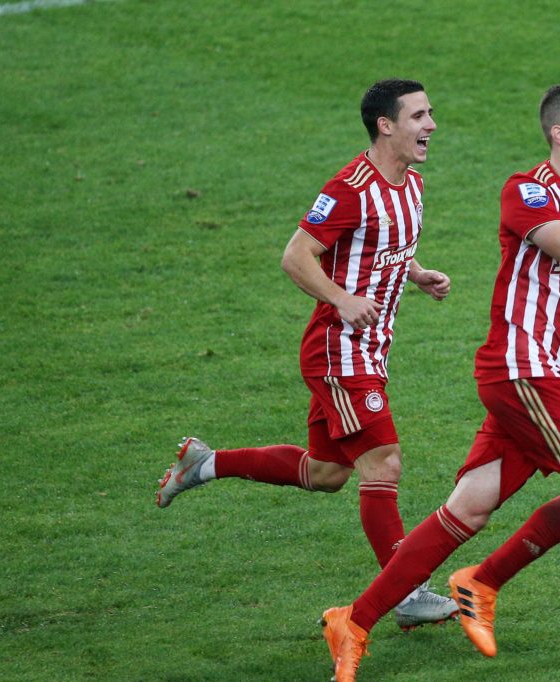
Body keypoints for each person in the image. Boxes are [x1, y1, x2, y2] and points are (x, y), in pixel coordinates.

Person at [320, 81, 560, 680]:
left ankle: (353, 621)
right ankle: (483, 582)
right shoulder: (528, 192)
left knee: (469, 508)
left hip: (543, 376)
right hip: (521, 370)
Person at [155, 79, 458, 630]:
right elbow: (296, 256)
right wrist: (341, 299)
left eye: (430, 114)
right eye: (418, 116)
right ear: (385, 125)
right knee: (383, 462)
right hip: (339, 351)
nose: (431, 125)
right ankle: (406, 593)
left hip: (369, 349)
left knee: (326, 473)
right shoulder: (350, 188)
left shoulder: (411, 184)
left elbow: (385, 242)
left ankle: (204, 463)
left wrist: (415, 273)